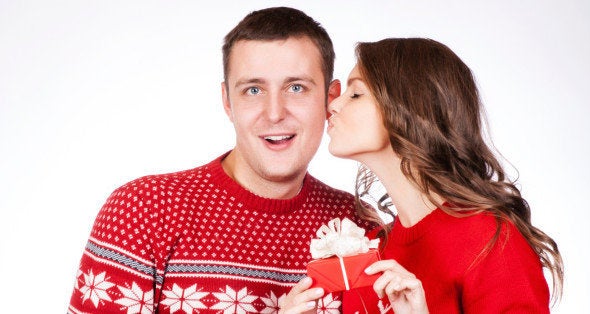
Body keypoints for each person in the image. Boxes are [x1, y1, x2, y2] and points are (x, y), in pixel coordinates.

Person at [67, 7, 372, 313]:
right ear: (228, 101)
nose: (275, 112)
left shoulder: (357, 225)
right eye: (253, 90)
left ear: (331, 98)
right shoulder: (143, 211)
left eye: (296, 88)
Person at [281, 38, 564, 313]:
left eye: (356, 94)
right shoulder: (371, 248)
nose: (332, 105)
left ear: (408, 109)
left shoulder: (489, 241)